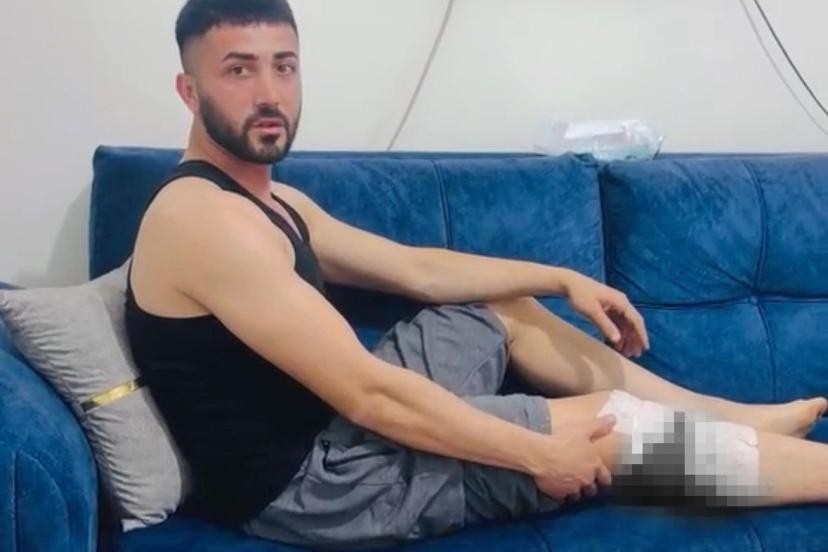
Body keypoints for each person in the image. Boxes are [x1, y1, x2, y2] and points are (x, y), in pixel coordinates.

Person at [124, 0, 828, 549]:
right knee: (616, 428)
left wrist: (559, 277)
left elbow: (417, 270)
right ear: (189, 90)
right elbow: (370, 394)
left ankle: (727, 416)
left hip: (337, 426)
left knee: (500, 307)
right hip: (315, 485)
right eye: (239, 70)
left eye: (284, 66)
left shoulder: (271, 201)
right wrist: (539, 455)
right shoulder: (206, 221)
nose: (269, 92)